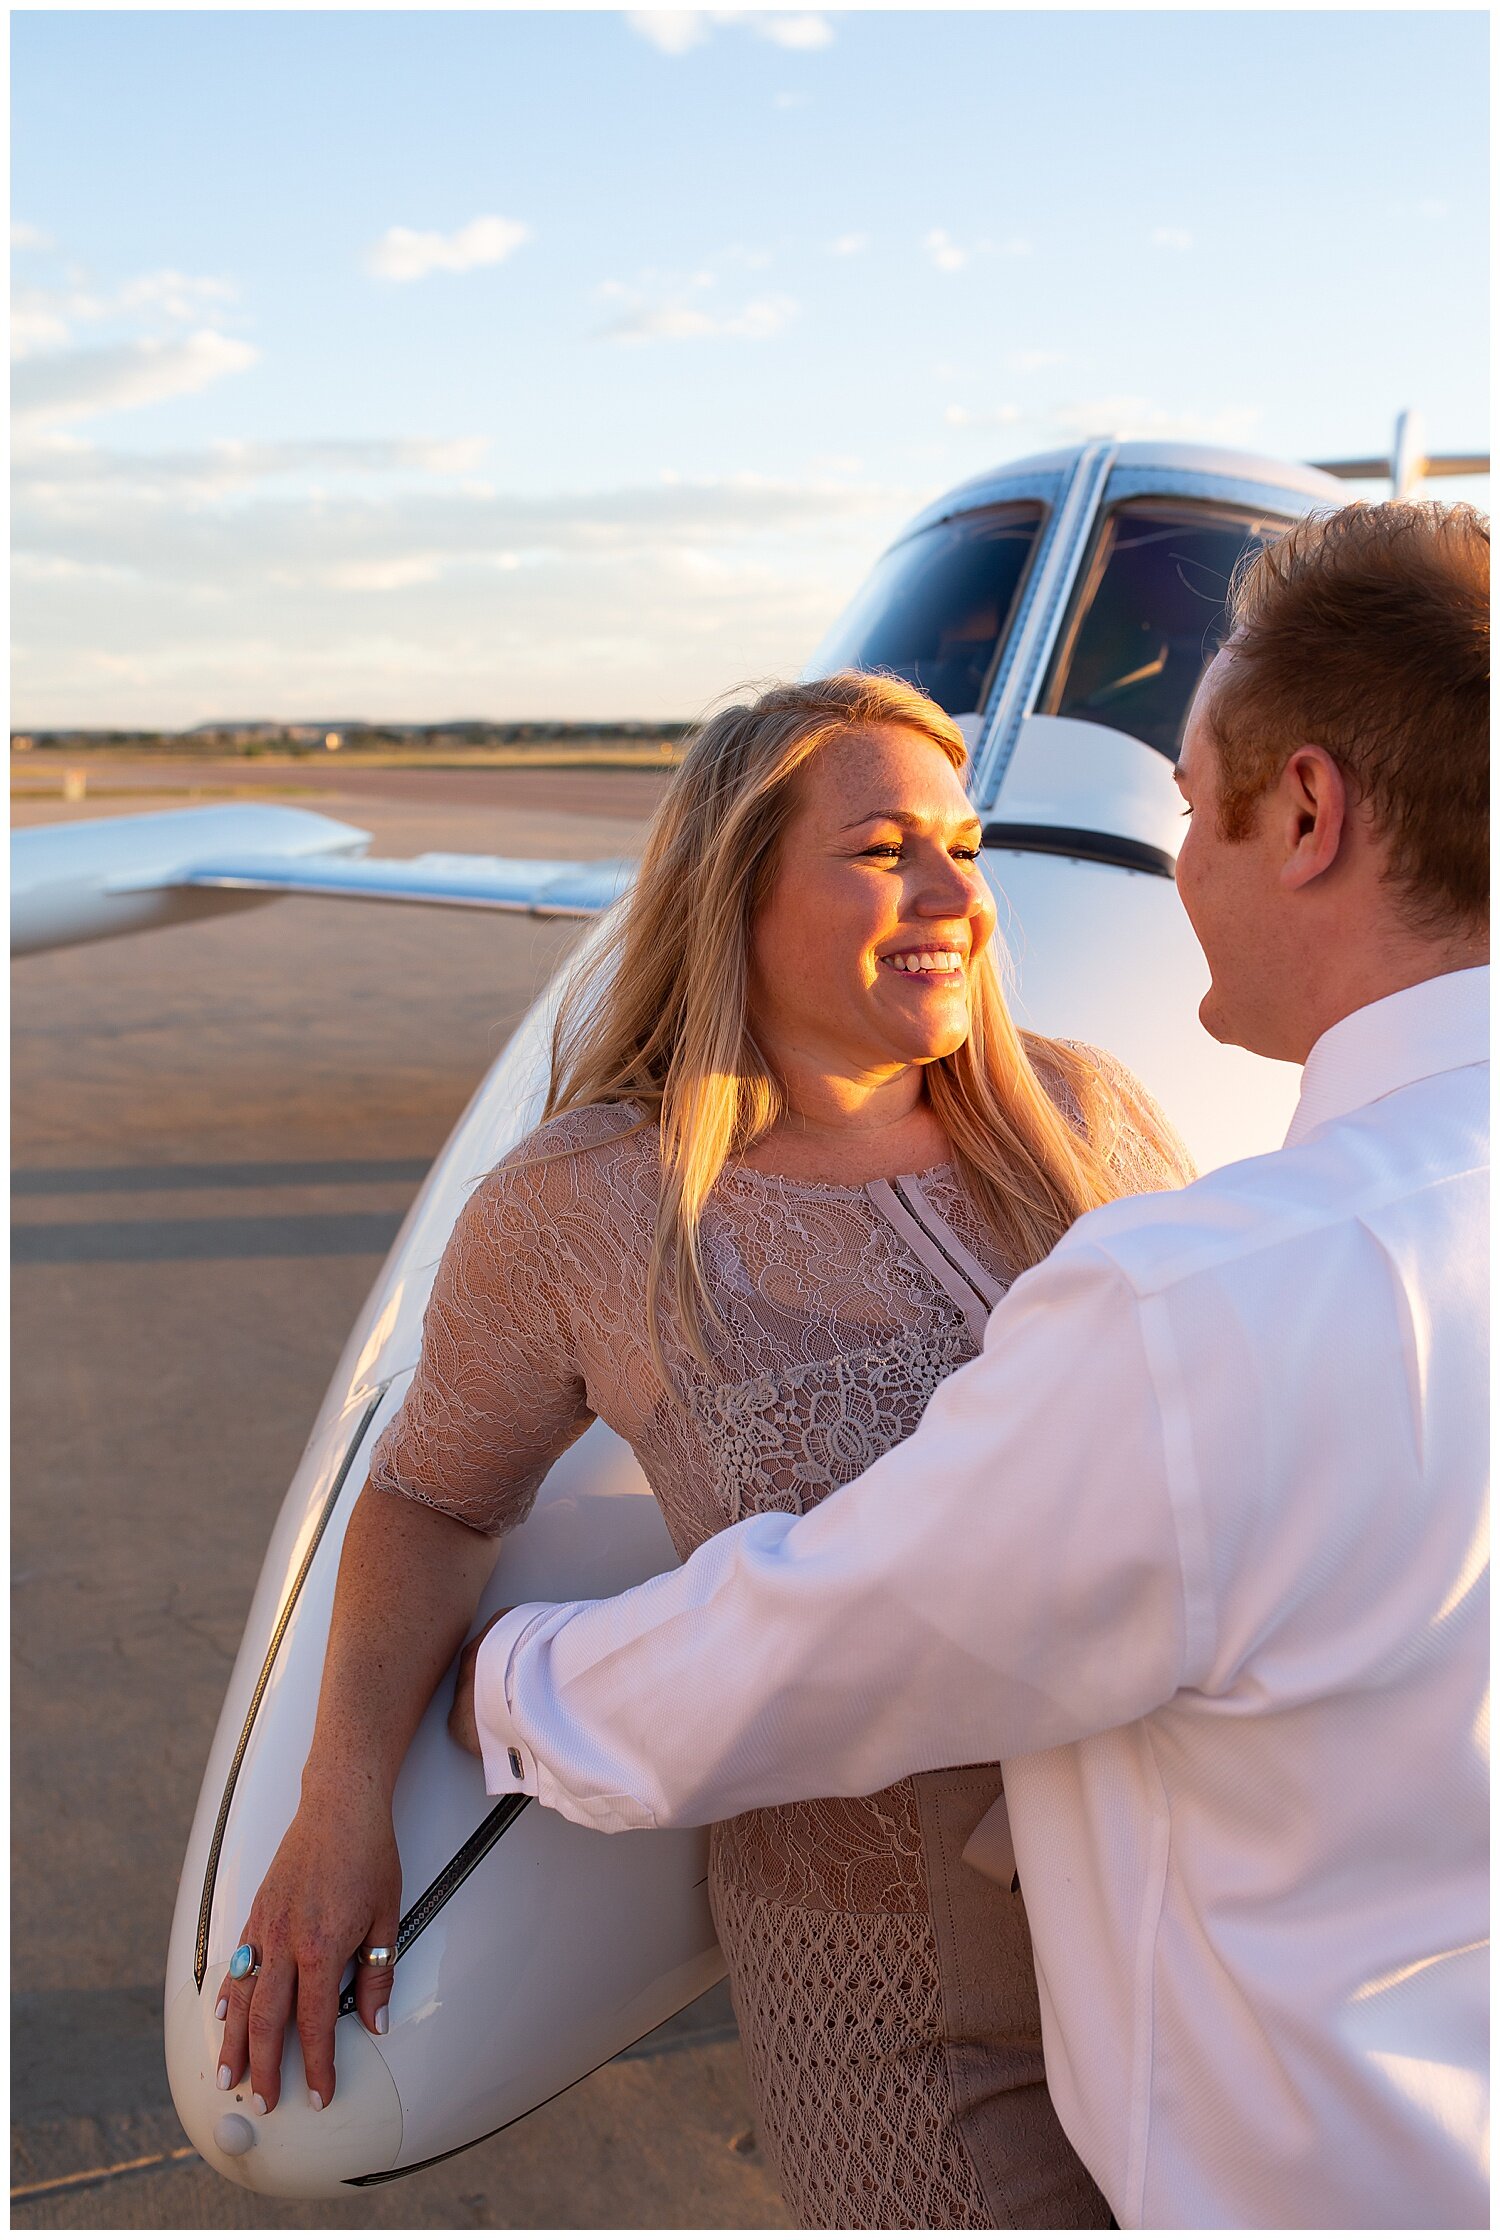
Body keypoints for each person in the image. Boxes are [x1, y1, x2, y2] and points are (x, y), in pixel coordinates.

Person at [452, 501, 1490, 2229]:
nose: (1178, 872)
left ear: (1307, 814)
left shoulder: (1201, 1305)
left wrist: (504, 1685)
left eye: (1193, 807)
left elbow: (835, 1643)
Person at [214, 670, 1192, 2226]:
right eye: (885, 852)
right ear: (737, 886)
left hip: (1196, 1963)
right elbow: (426, 1493)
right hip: (900, 2016)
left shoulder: (1088, 1122)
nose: (959, 895)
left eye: (966, 845)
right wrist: (334, 1811)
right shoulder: (587, 1205)